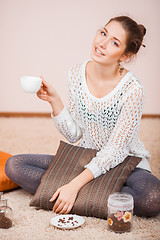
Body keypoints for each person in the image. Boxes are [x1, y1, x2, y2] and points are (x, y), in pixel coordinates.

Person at [5, 16, 160, 217]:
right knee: (14, 165)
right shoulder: (76, 74)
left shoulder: (133, 90)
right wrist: (55, 101)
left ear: (125, 55)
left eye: (114, 42)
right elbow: (74, 134)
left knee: (152, 198)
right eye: (103, 33)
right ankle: (94, 196)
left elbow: (115, 150)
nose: (101, 43)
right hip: (84, 159)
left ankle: (71, 193)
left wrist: (74, 185)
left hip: (125, 162)